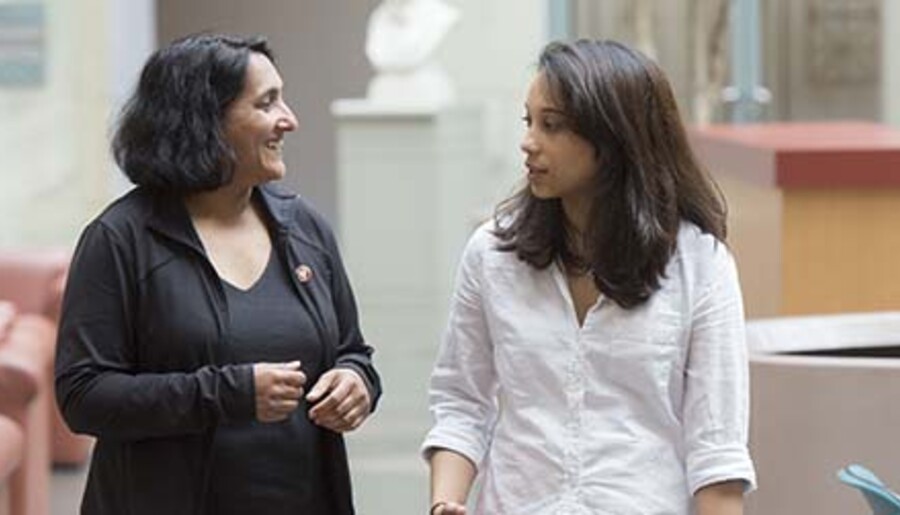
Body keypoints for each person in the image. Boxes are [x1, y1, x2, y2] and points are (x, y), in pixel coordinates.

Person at [422, 39, 756, 515]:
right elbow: (461, 403)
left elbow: (717, 453)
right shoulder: (492, 254)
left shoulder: (700, 264)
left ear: (613, 138)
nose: (528, 141)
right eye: (528, 121)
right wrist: (445, 502)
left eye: (552, 125)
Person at [55, 33, 381, 515]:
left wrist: (356, 381)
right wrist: (228, 394)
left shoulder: (304, 227)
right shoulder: (119, 239)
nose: (289, 119)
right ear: (203, 121)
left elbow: (352, 350)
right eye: (266, 103)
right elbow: (84, 396)